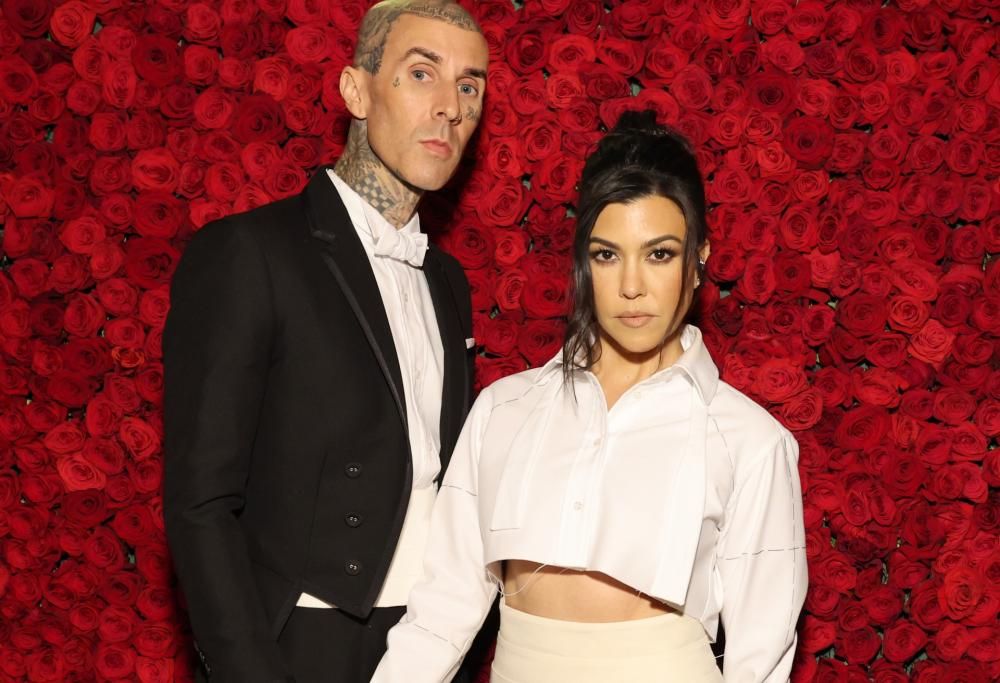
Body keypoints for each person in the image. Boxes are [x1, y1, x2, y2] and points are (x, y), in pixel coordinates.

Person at [371, 110, 808, 683]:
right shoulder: (504, 411)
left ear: (698, 257)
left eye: (659, 254)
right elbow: (441, 612)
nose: (631, 286)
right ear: (583, 261)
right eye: (607, 254)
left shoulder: (749, 440)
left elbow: (761, 657)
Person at [162, 2, 491, 682]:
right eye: (421, 73)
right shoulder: (251, 253)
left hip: (433, 643)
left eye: (469, 85)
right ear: (355, 91)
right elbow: (201, 502)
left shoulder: (447, 280)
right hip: (300, 645)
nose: (450, 107)